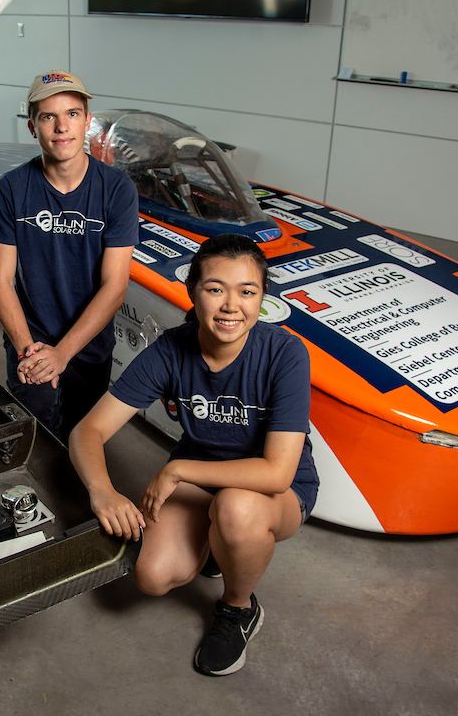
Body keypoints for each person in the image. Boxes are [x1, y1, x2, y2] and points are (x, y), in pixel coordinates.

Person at [69, 233, 317, 676]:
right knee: (152, 576)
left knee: (236, 508)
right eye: (215, 288)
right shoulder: (171, 350)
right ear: (193, 291)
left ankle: (239, 609)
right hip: (204, 481)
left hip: (273, 490)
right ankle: (221, 546)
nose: (231, 305)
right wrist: (102, 491)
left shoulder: (285, 354)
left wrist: (178, 469)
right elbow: (89, 429)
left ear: (262, 299)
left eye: (247, 292)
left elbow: (278, 473)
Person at [0, 70, 138, 443]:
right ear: (33, 127)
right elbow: (0, 280)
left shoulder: (117, 190)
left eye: (71, 114)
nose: (61, 126)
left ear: (87, 121)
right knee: (33, 433)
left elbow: (115, 285)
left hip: (88, 341)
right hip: (30, 337)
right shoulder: (10, 190)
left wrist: (64, 352)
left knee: (82, 438)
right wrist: (28, 350)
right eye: (48, 116)